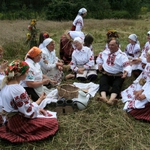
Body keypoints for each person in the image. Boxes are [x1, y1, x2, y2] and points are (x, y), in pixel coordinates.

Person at [0, 60, 58, 143]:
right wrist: (39, 101)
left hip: (11, 121)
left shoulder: (5, 84)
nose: (27, 74)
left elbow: (22, 107)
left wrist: (37, 107)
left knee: (45, 115)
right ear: (20, 74)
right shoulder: (17, 89)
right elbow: (28, 112)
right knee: (52, 123)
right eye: (26, 72)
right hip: (19, 123)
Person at [96, 39, 132, 105]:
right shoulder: (105, 52)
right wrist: (100, 64)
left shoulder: (122, 55)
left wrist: (125, 72)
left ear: (117, 46)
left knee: (117, 85)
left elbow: (127, 65)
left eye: (112, 45)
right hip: (106, 74)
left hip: (118, 75)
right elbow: (99, 58)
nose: (110, 47)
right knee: (103, 82)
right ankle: (103, 97)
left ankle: (112, 99)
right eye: (109, 45)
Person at [121, 49, 150, 122]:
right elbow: (146, 78)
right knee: (133, 93)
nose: (146, 57)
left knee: (136, 109)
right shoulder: (148, 65)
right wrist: (141, 90)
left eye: (147, 55)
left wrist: (145, 95)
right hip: (146, 87)